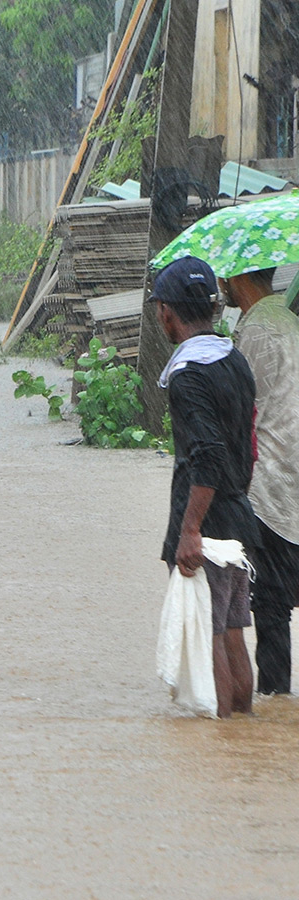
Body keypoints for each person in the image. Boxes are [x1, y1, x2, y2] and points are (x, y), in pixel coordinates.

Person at [153, 257, 258, 718]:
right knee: (233, 629)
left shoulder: (187, 375)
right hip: (239, 516)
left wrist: (190, 529)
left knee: (209, 632)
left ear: (166, 313)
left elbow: (208, 454)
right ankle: (244, 733)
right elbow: (247, 444)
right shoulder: (234, 359)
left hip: (208, 524)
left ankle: (223, 732)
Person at [220, 266, 299, 694]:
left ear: (237, 279)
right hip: (292, 482)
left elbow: (238, 413)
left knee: (270, 609)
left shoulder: (255, 333)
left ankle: (273, 700)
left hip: (272, 486)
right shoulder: (290, 321)